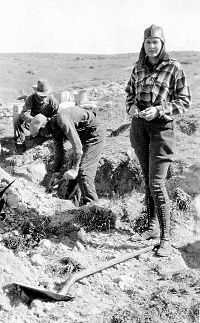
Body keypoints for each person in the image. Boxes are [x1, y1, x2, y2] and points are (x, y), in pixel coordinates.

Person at [125, 24, 191, 257]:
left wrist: (160, 110)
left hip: (161, 129)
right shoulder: (138, 67)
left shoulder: (174, 67)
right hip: (139, 128)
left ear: (162, 44)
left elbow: (184, 101)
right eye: (147, 42)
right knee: (147, 180)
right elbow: (130, 94)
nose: (151, 47)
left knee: (157, 183)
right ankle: (151, 228)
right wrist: (132, 107)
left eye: (155, 42)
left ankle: (166, 238)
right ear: (143, 45)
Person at [29, 105, 106, 206]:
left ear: (43, 126)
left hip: (95, 135)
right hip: (83, 137)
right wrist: (55, 174)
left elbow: (77, 147)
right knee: (72, 172)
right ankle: (72, 205)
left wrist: (74, 169)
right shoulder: (54, 128)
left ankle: (93, 207)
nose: (42, 136)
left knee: (83, 172)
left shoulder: (62, 119)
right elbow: (59, 152)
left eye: (40, 133)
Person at [14, 79, 59, 150]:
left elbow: (57, 117)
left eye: (45, 95)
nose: (43, 97)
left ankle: (42, 136)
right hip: (31, 124)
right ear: (36, 92)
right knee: (18, 119)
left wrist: (46, 121)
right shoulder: (30, 99)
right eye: (41, 95)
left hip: (46, 125)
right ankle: (20, 142)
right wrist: (35, 121)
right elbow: (24, 114)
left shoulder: (53, 102)